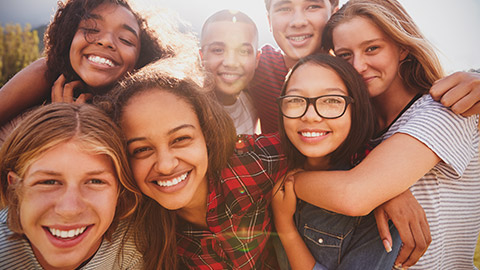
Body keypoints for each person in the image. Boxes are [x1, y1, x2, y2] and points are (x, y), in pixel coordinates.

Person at [291, 0, 479, 269]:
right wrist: (387, 189)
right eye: (345, 55)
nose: (358, 66)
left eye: (372, 48)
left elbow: (356, 194)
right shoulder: (359, 131)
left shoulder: (444, 110)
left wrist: (289, 183)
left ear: (402, 47)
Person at [108, 67, 286, 269]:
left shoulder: (250, 161)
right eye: (141, 150)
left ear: (207, 135)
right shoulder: (139, 230)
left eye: (181, 139)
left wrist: (306, 185)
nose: (166, 166)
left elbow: (316, 155)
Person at [251, 0, 480, 132]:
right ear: (269, 21)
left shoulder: (353, 77)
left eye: (312, 6)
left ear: (334, 11)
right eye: (284, 8)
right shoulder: (257, 67)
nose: (298, 21)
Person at [0, 0, 199, 144]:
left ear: (140, 61)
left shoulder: (140, 112)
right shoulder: (45, 72)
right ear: (69, 36)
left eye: (126, 40)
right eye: (92, 29)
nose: (106, 41)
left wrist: (68, 123)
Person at [272, 53, 402, 270]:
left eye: (331, 100)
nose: (311, 116)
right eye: (295, 100)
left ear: (355, 109)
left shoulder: (376, 203)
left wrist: (285, 228)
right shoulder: (270, 171)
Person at [0, 103, 142, 269]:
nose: (69, 209)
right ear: (14, 189)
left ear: (119, 191)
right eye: (48, 182)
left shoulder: (132, 247)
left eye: (95, 181)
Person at [200, 9, 261, 135]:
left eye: (243, 51)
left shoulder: (253, 102)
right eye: (218, 50)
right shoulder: (187, 110)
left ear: (257, 59)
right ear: (201, 57)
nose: (231, 62)